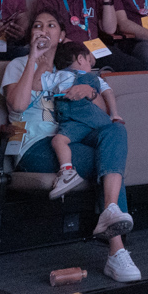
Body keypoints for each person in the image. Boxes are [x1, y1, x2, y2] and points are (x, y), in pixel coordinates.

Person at [2, 10, 140, 283]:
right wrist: (34, 60)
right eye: (37, 25)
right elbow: (17, 105)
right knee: (105, 159)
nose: (43, 29)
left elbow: (100, 116)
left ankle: (110, 215)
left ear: (62, 35)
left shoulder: (70, 68)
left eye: (51, 25)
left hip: (73, 136)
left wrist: (90, 92)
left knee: (115, 130)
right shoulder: (17, 65)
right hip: (33, 144)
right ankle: (117, 249)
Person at [44, 42, 122, 198]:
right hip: (82, 122)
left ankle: (67, 171)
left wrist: (114, 114)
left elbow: (39, 84)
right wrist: (114, 114)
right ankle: (68, 174)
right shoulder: (89, 77)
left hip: (82, 119)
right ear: (81, 59)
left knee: (58, 141)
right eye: (89, 61)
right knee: (59, 140)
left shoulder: (58, 76)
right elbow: (108, 93)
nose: (90, 66)